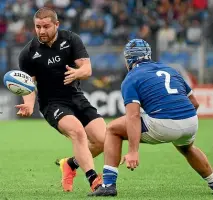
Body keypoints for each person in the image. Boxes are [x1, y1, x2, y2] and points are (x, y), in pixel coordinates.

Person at [89, 39, 213, 197]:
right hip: (191, 121)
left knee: (113, 129)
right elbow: (194, 103)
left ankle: (108, 185)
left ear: (128, 59)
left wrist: (133, 151)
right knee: (187, 148)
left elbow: (133, 116)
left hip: (165, 124)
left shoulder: (131, 77)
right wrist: (180, 121)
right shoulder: (170, 70)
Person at [16, 7, 106, 193]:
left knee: (103, 140)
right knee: (78, 132)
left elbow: (87, 69)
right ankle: (94, 181)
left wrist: (77, 73)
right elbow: (28, 85)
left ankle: (70, 164)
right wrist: (29, 104)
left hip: (76, 97)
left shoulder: (71, 39)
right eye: (38, 27)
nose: (41, 31)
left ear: (57, 24)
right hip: (52, 103)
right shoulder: (28, 53)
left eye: (46, 26)